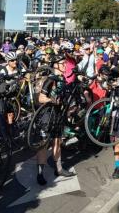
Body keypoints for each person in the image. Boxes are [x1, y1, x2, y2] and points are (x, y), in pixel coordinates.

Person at [36, 54, 76, 186]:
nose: (65, 65)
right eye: (62, 63)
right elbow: (41, 98)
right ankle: (40, 173)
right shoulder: (50, 80)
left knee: (57, 142)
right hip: (47, 115)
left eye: (65, 63)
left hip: (58, 115)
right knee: (43, 144)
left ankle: (59, 169)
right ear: (55, 65)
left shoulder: (62, 79)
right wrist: (52, 100)